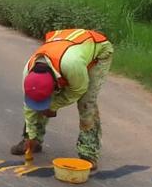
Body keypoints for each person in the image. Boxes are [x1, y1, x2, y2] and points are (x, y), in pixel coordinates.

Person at [11, 28, 114, 170]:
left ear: (55, 84)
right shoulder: (28, 74)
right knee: (40, 99)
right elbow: (29, 107)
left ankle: (89, 153)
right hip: (65, 51)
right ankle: (32, 140)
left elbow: (78, 90)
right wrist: (31, 134)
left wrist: (53, 106)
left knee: (86, 102)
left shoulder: (72, 65)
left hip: (98, 51)